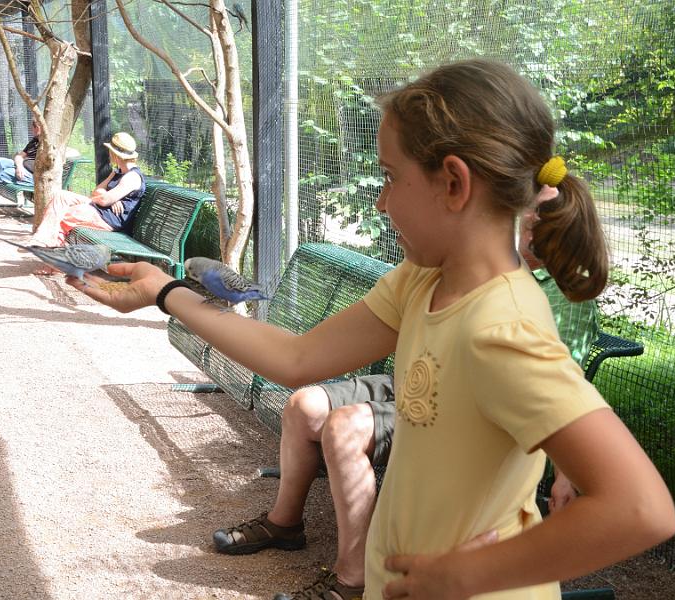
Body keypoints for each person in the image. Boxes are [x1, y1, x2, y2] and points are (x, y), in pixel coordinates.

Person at [70, 59, 675, 600]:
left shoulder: (503, 328)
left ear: (453, 183)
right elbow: (298, 358)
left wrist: (470, 576)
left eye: (390, 177)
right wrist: (166, 292)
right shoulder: (421, 281)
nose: (382, 202)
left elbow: (639, 507)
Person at [209, 187, 580, 600]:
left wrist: (568, 470)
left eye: (533, 228)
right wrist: (176, 298)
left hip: (458, 403)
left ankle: (351, 578)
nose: (382, 203)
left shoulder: (543, 298)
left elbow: (567, 393)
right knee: (303, 406)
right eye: (525, 223)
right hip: (412, 378)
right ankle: (285, 524)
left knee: (343, 428)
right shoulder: (439, 269)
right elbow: (300, 357)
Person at [24, 131, 145, 250]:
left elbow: (103, 200)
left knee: (64, 216)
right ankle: (41, 240)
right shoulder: (117, 171)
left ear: (116, 154)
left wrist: (103, 199)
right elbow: (98, 191)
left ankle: (52, 262)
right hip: (99, 209)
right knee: (61, 196)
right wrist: (110, 199)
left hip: (108, 219)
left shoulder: (132, 177)